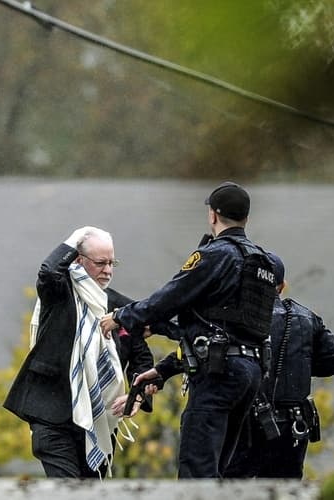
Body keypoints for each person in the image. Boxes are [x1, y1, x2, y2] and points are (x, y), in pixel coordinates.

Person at [100, 181, 277, 479]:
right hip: (250, 374)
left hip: (219, 374)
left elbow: (170, 297)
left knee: (197, 473)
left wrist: (122, 316)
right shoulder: (262, 262)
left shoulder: (217, 254)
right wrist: (164, 361)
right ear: (246, 218)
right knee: (220, 471)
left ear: (213, 215)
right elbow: (220, 324)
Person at [3, 226, 156, 479]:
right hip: (53, 417)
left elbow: (142, 357)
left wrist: (137, 395)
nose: (107, 271)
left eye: (111, 263)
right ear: (78, 260)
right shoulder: (59, 292)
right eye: (99, 263)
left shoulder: (122, 308)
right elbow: (49, 271)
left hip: (101, 421)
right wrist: (79, 235)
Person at [224, 252, 334, 479]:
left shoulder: (234, 317)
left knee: (232, 489)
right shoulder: (306, 317)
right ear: (282, 286)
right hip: (293, 428)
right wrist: (300, 364)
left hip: (246, 425)